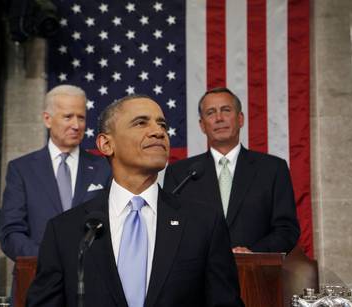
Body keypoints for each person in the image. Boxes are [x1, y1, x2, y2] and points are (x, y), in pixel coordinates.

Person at [26, 95, 244, 307]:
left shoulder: (204, 224)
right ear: (106, 144)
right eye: (141, 123)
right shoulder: (65, 231)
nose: (158, 132)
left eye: (162, 125)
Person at [164, 87, 300, 253]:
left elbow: (287, 229)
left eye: (226, 110)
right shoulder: (180, 173)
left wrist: (252, 253)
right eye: (211, 113)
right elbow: (170, 228)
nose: (219, 118)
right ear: (202, 125)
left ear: (240, 119)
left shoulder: (273, 169)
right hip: (197, 275)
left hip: (254, 273)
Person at [0, 85, 112, 261]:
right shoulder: (21, 169)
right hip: (37, 277)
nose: (76, 125)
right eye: (68, 117)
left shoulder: (105, 168)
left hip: (90, 276)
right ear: (47, 119)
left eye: (81, 118)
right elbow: (11, 232)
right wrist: (47, 258)